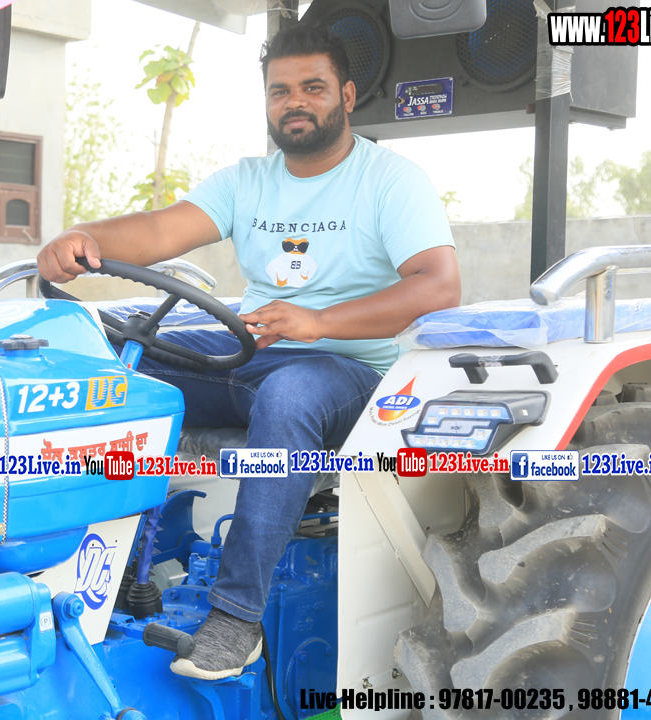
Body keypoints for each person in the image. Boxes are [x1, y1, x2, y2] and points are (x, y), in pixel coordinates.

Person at [37, 24, 461, 680]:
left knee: (289, 397)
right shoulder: (247, 181)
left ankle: (237, 619)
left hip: (351, 371)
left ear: (347, 96)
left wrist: (318, 322)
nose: (296, 102)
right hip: (252, 352)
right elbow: (159, 230)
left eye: (313, 87)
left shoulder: (390, 180)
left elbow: (438, 285)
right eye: (280, 91)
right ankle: (76, 571)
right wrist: (82, 236)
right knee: (111, 350)